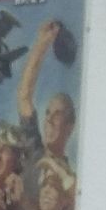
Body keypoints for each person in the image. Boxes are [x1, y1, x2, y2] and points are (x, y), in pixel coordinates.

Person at [15, 19, 77, 173]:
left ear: (70, 127)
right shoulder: (35, 154)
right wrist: (42, 43)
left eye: (57, 114)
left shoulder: (69, 179)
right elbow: (24, 96)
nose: (49, 119)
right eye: (48, 113)